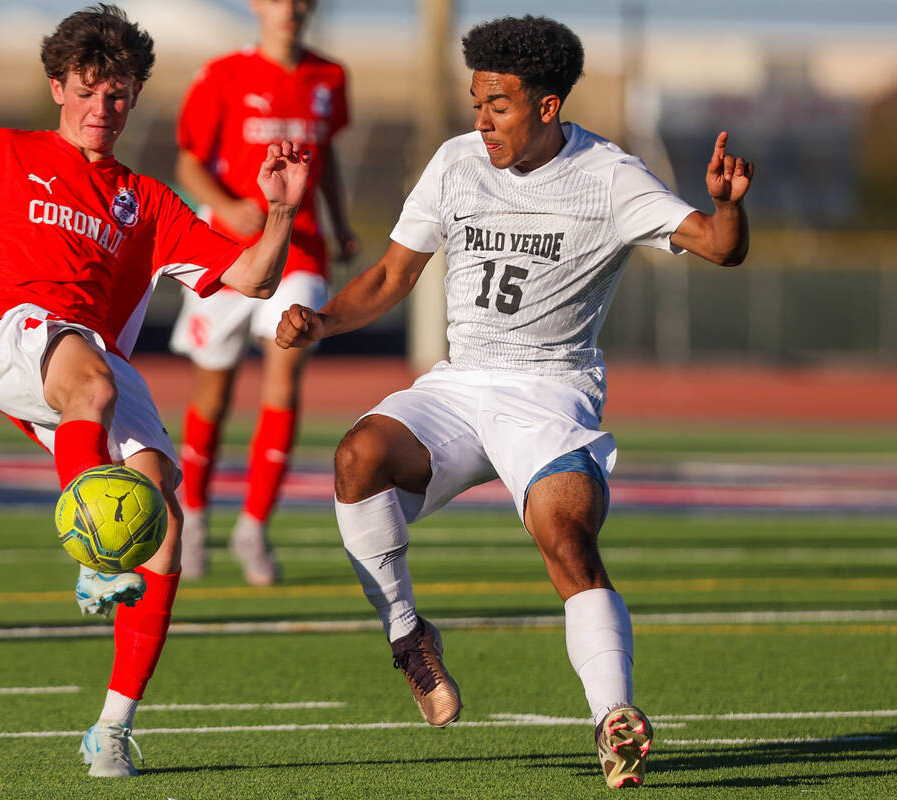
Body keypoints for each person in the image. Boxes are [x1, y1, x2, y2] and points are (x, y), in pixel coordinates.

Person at [276, 15, 752, 789]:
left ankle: (614, 721)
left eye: (498, 103)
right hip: (461, 385)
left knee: (567, 542)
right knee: (357, 456)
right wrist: (324, 320)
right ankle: (407, 635)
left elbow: (719, 245)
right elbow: (394, 277)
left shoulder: (608, 175)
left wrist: (728, 205)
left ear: (547, 105)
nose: (481, 120)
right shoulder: (456, 162)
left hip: (552, 397)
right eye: (475, 101)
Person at [0, 5, 310, 779]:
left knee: (163, 514)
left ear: (134, 97)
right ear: (58, 87)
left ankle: (112, 727)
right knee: (93, 385)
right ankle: (92, 555)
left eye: (120, 92)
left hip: (87, 356)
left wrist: (280, 212)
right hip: (10, 334)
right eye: (89, 88)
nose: (103, 106)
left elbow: (252, 277)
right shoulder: (4, 153)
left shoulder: (150, 200)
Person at [168, 0, 356, 585]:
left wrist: (340, 222)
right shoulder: (222, 74)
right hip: (226, 254)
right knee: (214, 394)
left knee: (285, 373)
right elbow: (189, 161)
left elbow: (325, 163)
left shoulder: (330, 77)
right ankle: (193, 519)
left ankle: (253, 526)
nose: (292, 9)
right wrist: (225, 207)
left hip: (300, 249)